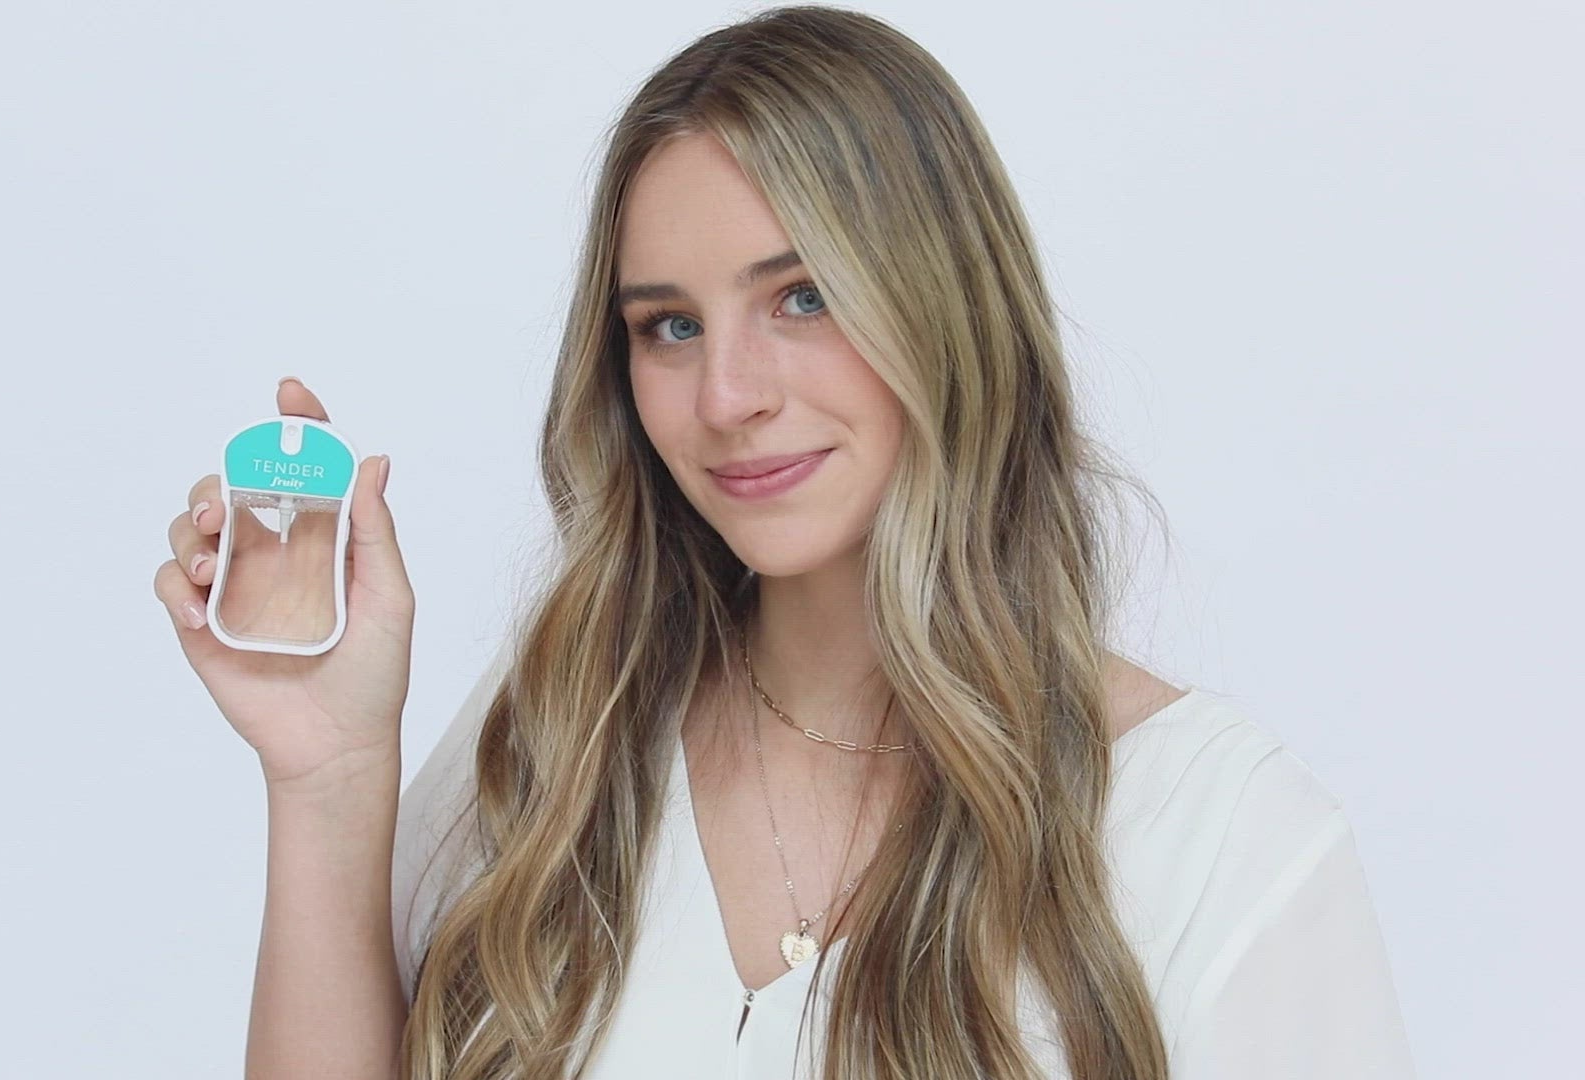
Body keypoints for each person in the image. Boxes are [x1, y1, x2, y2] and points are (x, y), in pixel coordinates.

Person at [155, 6, 1415, 1078]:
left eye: (800, 297)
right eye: (668, 326)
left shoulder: (1217, 839)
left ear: (946, 302)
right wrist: (326, 780)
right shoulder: (562, 748)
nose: (726, 397)